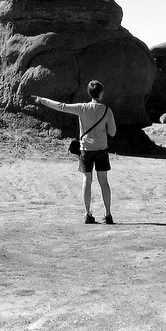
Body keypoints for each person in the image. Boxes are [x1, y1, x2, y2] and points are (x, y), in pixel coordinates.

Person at [34, 80, 117, 224]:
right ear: (101, 93)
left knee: (87, 180)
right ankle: (108, 214)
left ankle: (87, 213)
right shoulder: (106, 110)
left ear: (89, 93)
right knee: (103, 181)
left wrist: (42, 100)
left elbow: (61, 106)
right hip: (101, 149)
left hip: (85, 150)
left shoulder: (82, 108)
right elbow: (113, 132)